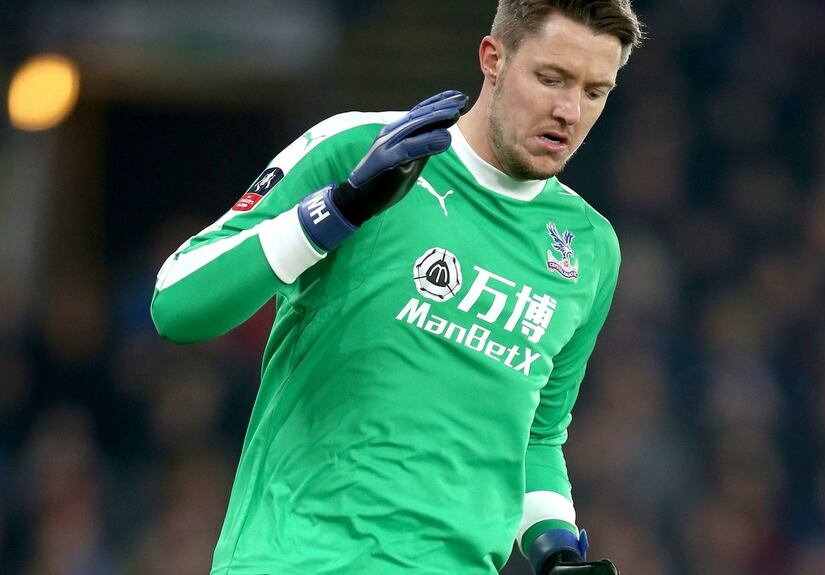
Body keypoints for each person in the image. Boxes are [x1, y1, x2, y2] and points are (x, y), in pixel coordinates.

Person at [150, 1, 643, 573]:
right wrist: (336, 210)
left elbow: (535, 437)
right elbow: (177, 305)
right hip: (296, 560)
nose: (568, 110)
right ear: (493, 58)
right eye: (551, 78)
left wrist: (555, 548)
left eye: (594, 92)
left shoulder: (588, 247)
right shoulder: (356, 148)